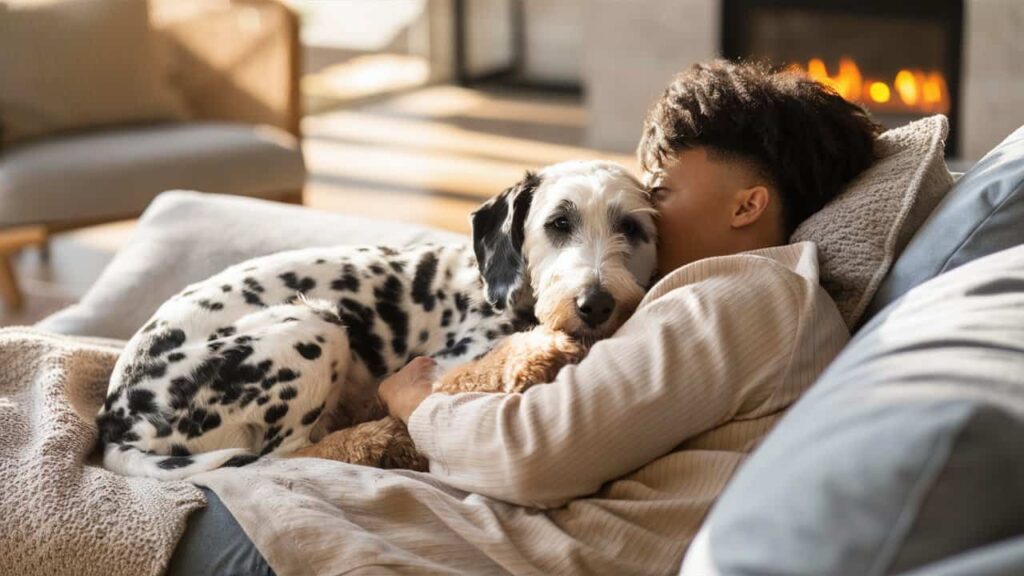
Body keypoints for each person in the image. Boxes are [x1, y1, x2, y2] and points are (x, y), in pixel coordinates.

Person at [188, 60, 882, 575]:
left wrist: (417, 404)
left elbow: (530, 454)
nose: (650, 203)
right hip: (417, 521)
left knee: (160, 519)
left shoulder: (744, 299)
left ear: (747, 206)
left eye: (663, 188)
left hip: (441, 546)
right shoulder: (731, 300)